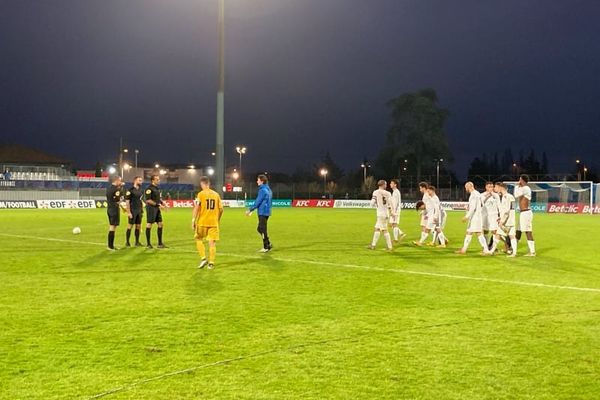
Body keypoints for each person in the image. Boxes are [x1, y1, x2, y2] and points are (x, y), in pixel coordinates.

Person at [193, 176, 224, 269]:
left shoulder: (200, 194)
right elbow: (221, 209)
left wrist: (193, 220)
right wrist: (217, 219)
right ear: (209, 183)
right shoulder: (216, 194)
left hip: (202, 222)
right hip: (213, 223)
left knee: (198, 239)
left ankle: (203, 258)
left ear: (202, 184)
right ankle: (211, 263)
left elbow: (197, 207)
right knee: (212, 243)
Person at [456, 182, 491, 255]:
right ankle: (464, 249)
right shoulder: (477, 193)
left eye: (466, 187)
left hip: (475, 217)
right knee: (474, 233)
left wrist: (466, 216)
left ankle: (485, 250)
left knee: (474, 233)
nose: (466, 189)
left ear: (469, 186)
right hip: (477, 216)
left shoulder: (474, 195)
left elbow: (473, 208)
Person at [246, 174, 273, 252]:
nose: (257, 181)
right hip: (266, 212)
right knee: (261, 229)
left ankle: (266, 247)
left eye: (258, 180)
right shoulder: (268, 189)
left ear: (262, 181)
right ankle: (268, 243)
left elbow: (258, 201)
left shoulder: (262, 190)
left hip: (262, 212)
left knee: (261, 229)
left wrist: (250, 210)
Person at [367, 179, 393, 251]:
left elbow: (372, 202)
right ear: (383, 185)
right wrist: (392, 212)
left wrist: (374, 204)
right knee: (380, 229)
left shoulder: (376, 192)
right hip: (386, 213)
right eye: (385, 184)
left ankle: (388, 247)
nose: (386, 185)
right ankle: (374, 245)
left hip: (380, 213)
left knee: (381, 230)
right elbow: (390, 204)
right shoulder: (388, 193)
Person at [514, 174, 536, 257]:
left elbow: (516, 195)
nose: (519, 181)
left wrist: (516, 186)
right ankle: (513, 248)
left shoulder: (526, 188)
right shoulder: (523, 188)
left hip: (526, 213)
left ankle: (532, 252)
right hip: (523, 213)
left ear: (522, 180)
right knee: (518, 231)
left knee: (527, 231)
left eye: (519, 179)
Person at [495, 182, 518, 257]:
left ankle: (491, 250)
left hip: (507, 221)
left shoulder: (506, 197)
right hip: (511, 219)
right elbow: (512, 209)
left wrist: (502, 221)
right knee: (512, 236)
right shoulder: (510, 196)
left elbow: (507, 211)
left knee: (498, 234)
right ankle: (513, 253)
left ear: (501, 188)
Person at [145, 174, 167, 249]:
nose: (159, 180)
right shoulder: (149, 189)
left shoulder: (157, 188)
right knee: (149, 224)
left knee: (160, 224)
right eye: (157, 179)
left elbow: (158, 198)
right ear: (153, 180)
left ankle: (160, 243)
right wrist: (158, 205)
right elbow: (148, 200)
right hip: (151, 208)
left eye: (159, 179)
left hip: (157, 208)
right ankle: (148, 244)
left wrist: (163, 202)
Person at [481, 181, 501, 253]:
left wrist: (500, 215)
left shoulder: (496, 195)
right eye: (489, 187)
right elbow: (480, 204)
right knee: (485, 231)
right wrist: (487, 196)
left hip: (494, 216)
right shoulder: (482, 195)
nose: (491, 188)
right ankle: (486, 247)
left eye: (492, 187)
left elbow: (499, 205)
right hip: (485, 216)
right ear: (486, 187)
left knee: (494, 231)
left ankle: (493, 247)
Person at [124, 176, 144, 247]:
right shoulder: (130, 190)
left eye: (141, 180)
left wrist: (142, 210)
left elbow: (141, 201)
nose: (141, 182)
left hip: (139, 211)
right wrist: (128, 212)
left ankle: (137, 242)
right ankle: (127, 242)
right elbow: (127, 202)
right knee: (130, 226)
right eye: (139, 180)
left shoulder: (141, 190)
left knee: (138, 226)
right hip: (132, 211)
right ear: (135, 181)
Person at [106, 175, 123, 251]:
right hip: (114, 209)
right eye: (120, 180)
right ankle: (110, 246)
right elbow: (117, 200)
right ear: (116, 180)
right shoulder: (116, 190)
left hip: (109, 209)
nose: (120, 182)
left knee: (112, 226)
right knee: (113, 227)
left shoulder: (109, 188)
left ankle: (110, 246)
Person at [413, 182, 433, 246]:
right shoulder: (426, 194)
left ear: (424, 188)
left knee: (429, 228)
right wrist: (422, 212)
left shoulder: (427, 194)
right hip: (427, 213)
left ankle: (420, 242)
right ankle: (421, 241)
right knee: (425, 227)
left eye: (420, 188)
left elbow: (428, 205)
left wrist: (425, 213)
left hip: (429, 213)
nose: (420, 190)